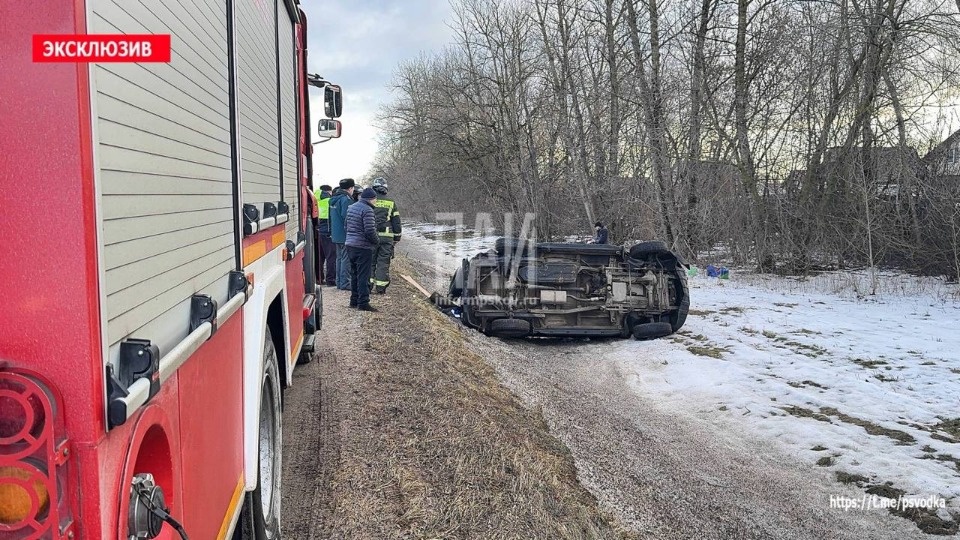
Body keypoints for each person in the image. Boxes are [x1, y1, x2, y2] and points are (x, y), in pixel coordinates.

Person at [344, 187, 380, 311]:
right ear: (371, 199)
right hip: (363, 247)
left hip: (350, 245)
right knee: (363, 276)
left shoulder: (351, 207)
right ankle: (363, 302)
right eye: (375, 199)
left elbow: (346, 226)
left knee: (354, 274)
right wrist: (376, 241)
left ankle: (353, 300)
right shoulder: (368, 210)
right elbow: (369, 230)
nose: (376, 201)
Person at [369, 177, 401, 294]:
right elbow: (396, 221)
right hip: (387, 237)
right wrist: (397, 237)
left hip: (372, 236)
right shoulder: (391, 202)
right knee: (383, 262)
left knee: (370, 261)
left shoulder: (369, 201)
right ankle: (381, 288)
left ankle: (368, 286)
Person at [329, 178, 355, 290]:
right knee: (346, 259)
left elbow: (330, 218)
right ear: (350, 188)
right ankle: (345, 283)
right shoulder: (346, 200)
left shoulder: (333, 199)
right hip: (345, 234)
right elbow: (348, 218)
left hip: (335, 234)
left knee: (339, 258)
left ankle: (339, 282)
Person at [313, 184, 336, 286]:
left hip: (316, 232)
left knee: (319, 257)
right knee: (331, 257)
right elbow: (331, 218)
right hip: (327, 231)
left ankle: (319, 278)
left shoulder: (314, 200)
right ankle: (331, 280)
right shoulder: (329, 201)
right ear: (329, 191)